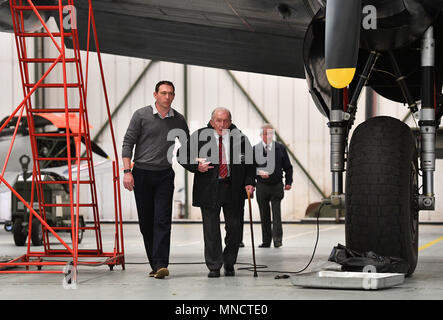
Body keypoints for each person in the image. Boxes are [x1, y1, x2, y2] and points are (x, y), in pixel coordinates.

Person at [121, 80, 189, 279]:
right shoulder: (141, 115)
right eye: (163, 93)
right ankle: (154, 263)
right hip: (141, 173)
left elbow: (187, 146)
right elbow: (128, 142)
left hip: (164, 175)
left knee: (162, 220)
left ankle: (161, 264)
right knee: (146, 223)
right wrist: (127, 171)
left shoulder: (178, 119)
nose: (167, 97)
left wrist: (198, 160)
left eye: (170, 93)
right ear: (155, 95)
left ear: (173, 96)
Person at [179, 107, 255, 278]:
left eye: (226, 120)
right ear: (212, 121)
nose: (222, 124)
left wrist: (250, 182)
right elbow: (180, 155)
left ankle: (229, 262)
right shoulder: (199, 136)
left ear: (230, 121)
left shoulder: (240, 138)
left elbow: (251, 163)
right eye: (219, 121)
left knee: (235, 229)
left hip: (233, 188)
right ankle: (214, 265)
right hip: (208, 189)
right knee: (211, 230)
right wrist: (196, 166)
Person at [254, 124, 293, 248]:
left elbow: (288, 167)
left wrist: (288, 182)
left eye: (271, 133)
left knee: (276, 215)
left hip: (276, 186)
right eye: (266, 134)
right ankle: (266, 241)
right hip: (261, 186)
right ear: (261, 135)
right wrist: (258, 173)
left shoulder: (280, 148)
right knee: (264, 215)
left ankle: (278, 240)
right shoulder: (255, 149)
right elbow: (250, 168)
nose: (269, 136)